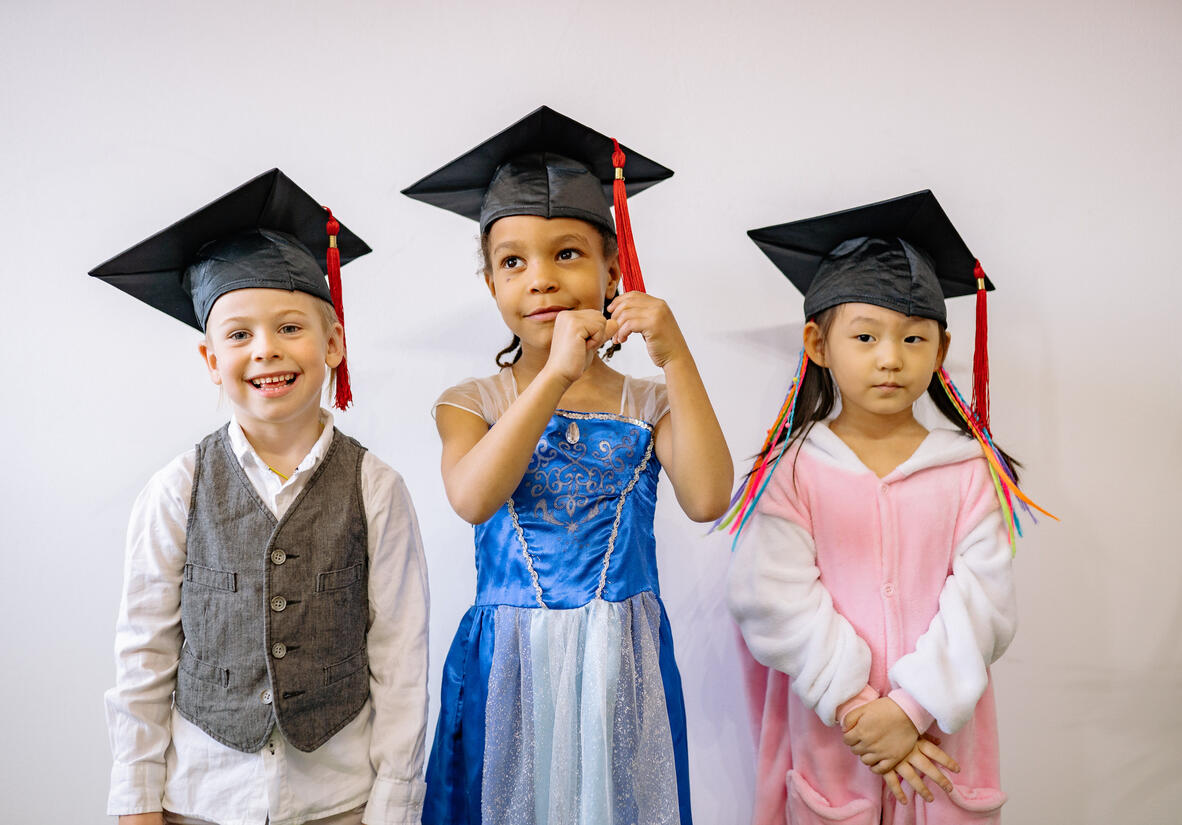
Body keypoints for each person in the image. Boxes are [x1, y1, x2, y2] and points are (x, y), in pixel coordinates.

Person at [403, 106, 733, 825]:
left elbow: (709, 496)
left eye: (568, 254)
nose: (541, 279)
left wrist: (676, 355)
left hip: (622, 666)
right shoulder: (473, 401)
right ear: (492, 285)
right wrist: (552, 375)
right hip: (509, 665)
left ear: (614, 269)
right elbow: (472, 495)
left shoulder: (646, 402)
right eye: (514, 261)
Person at [93, 169, 430, 825]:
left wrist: (393, 805)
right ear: (211, 360)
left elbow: (401, 660)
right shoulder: (176, 489)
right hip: (203, 799)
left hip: (341, 801)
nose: (266, 349)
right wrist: (135, 802)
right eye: (239, 334)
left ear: (334, 343)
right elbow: (144, 656)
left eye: (290, 327)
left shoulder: (376, 488)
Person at [722, 191, 1053, 824]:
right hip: (835, 736)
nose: (890, 358)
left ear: (941, 346)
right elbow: (772, 597)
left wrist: (910, 709)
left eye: (913, 337)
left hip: (941, 737)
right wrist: (858, 708)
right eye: (866, 335)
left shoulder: (967, 471)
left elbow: (984, 602)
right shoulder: (793, 471)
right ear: (818, 344)